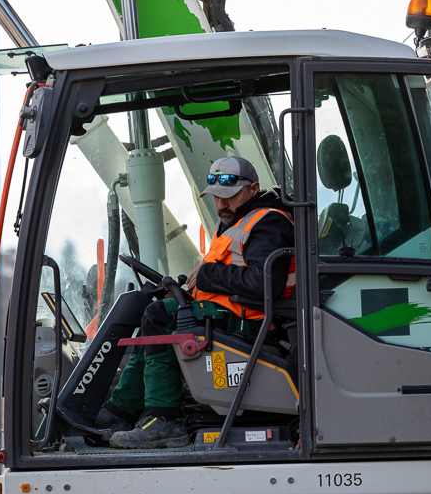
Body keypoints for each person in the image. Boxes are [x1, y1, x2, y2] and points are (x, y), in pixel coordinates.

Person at [91, 156, 296, 449]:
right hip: (228, 314)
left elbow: (264, 283)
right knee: (154, 319)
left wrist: (209, 274)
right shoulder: (234, 222)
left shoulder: (269, 221)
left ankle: (164, 420)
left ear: (253, 189)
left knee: (158, 316)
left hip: (251, 323)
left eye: (228, 197)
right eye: (215, 198)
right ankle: (119, 412)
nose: (221, 205)